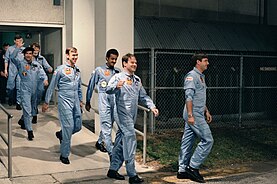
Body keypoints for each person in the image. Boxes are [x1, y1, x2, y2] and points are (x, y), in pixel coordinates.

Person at [106, 53, 159, 184]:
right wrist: (115, 86)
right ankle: (132, 174)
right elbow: (108, 89)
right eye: (132, 62)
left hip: (132, 114)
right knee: (130, 139)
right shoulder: (117, 77)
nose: (135, 64)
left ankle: (113, 169)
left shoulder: (137, 80)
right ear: (124, 64)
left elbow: (143, 96)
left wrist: (152, 106)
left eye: (135, 63)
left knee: (121, 141)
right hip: (121, 113)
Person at [177, 52, 213, 183]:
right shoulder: (192, 76)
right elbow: (189, 97)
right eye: (205, 61)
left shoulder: (201, 77)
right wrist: (191, 115)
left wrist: (206, 111)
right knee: (208, 140)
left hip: (198, 112)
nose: (207, 63)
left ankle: (181, 170)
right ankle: (193, 167)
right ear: (198, 62)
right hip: (194, 114)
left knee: (187, 141)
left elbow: (199, 97)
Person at [42, 47, 82, 165]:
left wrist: (80, 100)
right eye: (73, 55)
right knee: (68, 127)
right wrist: (46, 102)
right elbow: (52, 86)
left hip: (75, 101)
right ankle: (64, 154)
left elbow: (79, 87)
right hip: (64, 100)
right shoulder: (60, 70)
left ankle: (61, 134)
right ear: (67, 55)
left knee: (78, 126)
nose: (75, 57)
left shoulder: (77, 70)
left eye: (76, 55)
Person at [85, 49, 120, 155]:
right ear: (107, 58)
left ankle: (100, 142)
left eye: (115, 59)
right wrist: (88, 100)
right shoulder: (99, 71)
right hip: (104, 101)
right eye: (112, 59)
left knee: (109, 124)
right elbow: (91, 86)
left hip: (114, 102)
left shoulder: (118, 72)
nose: (114, 61)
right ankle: (111, 149)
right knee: (106, 124)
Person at [9, 46, 48, 141]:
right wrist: (17, 49)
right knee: (27, 110)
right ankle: (30, 131)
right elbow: (12, 58)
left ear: (32, 55)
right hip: (25, 90)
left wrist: (45, 79)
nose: (28, 55)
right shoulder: (20, 64)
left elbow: (43, 74)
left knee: (33, 110)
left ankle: (22, 121)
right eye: (26, 53)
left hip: (35, 91)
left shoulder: (37, 64)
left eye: (30, 53)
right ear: (24, 54)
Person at [31, 42, 53, 124]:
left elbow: (46, 67)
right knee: (32, 99)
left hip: (40, 81)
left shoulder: (41, 58)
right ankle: (33, 115)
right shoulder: (28, 58)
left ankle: (34, 110)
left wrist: (50, 69)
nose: (36, 51)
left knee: (38, 98)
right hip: (30, 81)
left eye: (37, 50)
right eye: (34, 49)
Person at [4, 34, 25, 109]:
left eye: (20, 41)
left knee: (19, 86)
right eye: (17, 41)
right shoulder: (10, 49)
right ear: (14, 41)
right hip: (12, 69)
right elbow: (6, 59)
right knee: (10, 87)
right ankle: (10, 97)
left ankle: (18, 103)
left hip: (20, 69)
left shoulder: (24, 49)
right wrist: (5, 70)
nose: (18, 42)